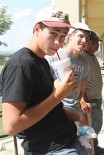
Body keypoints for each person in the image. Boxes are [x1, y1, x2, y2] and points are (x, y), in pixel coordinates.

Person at [0, 6, 84, 154]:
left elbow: (45, 105)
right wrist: (58, 95)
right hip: (50, 149)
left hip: (67, 141)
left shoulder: (42, 61)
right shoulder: (21, 65)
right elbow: (11, 126)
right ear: (37, 29)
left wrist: (74, 115)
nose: (58, 42)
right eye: (53, 33)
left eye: (63, 36)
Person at [46, 22, 91, 125]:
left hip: (76, 113)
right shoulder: (53, 57)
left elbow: (80, 93)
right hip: (57, 113)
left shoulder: (85, 64)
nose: (84, 41)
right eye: (81, 36)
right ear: (70, 36)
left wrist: (80, 115)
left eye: (87, 38)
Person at [81, 31, 104, 154]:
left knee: (97, 125)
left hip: (97, 98)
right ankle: (90, 149)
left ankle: (94, 147)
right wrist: (84, 100)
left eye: (98, 43)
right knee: (93, 127)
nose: (97, 45)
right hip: (90, 100)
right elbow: (82, 82)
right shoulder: (82, 57)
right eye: (94, 42)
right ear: (87, 43)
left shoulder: (92, 56)